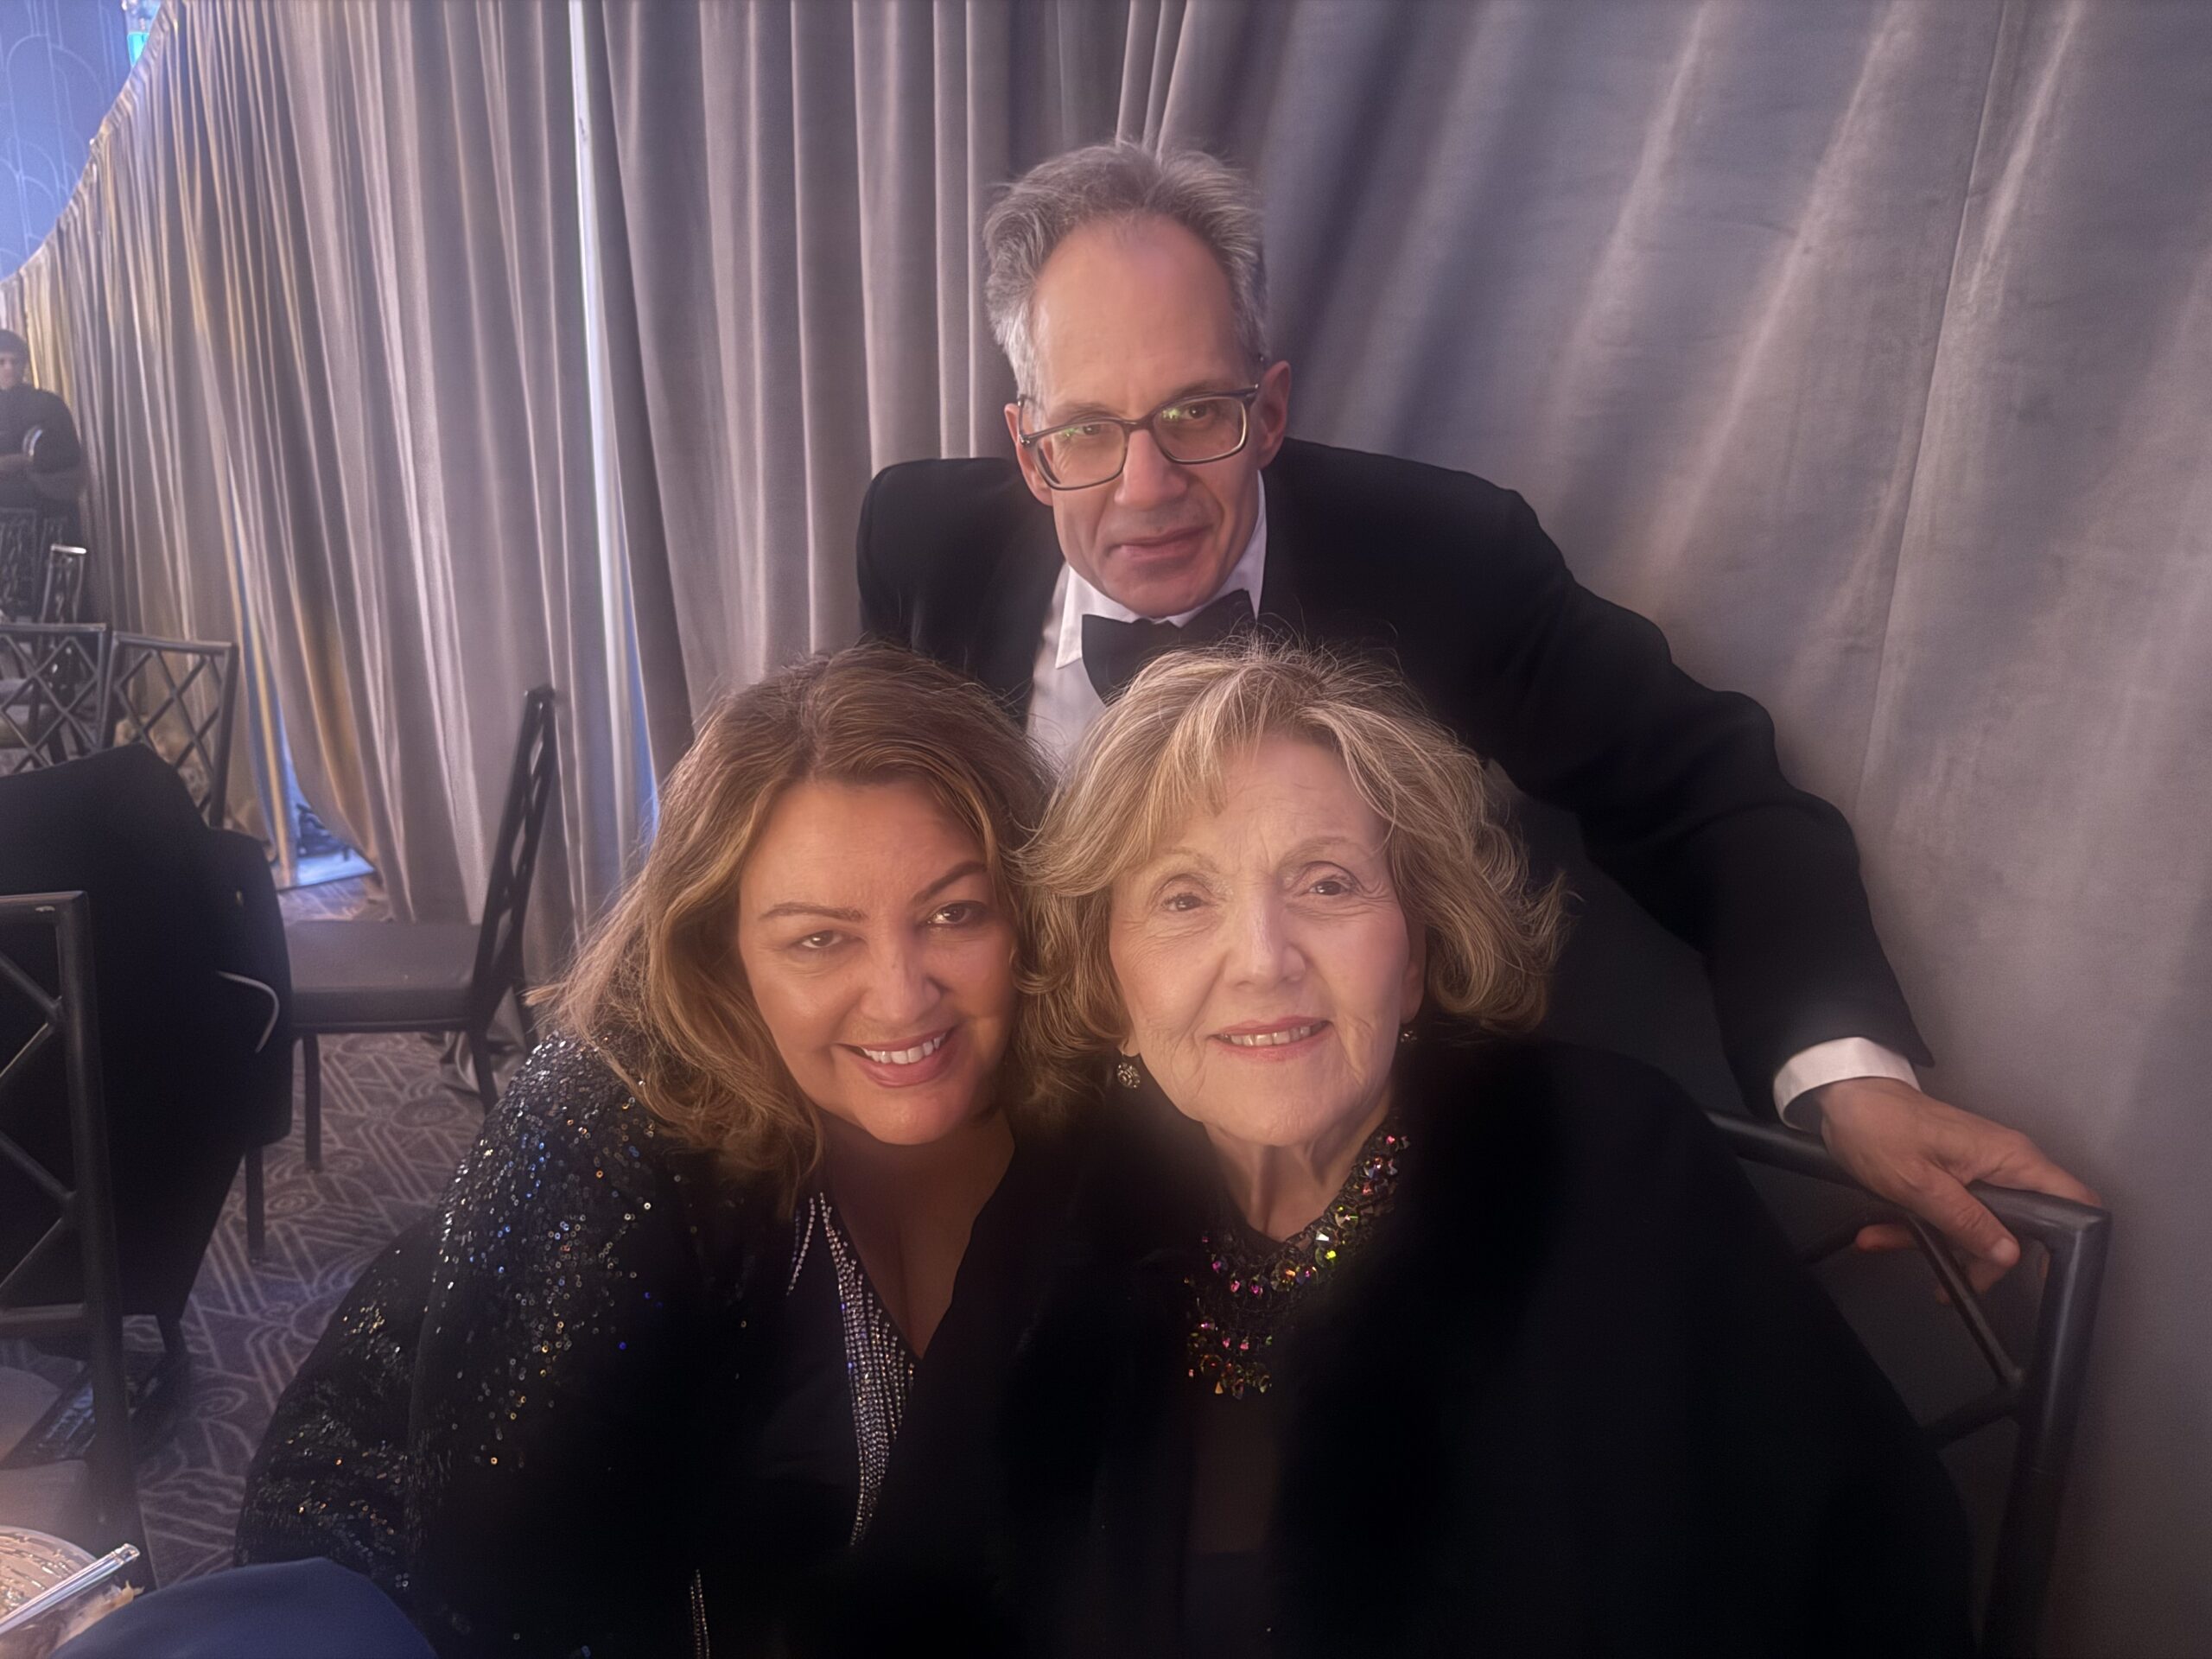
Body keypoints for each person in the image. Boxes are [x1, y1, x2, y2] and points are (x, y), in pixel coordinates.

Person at [856, 141, 2097, 1294]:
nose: (1146, 488)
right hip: (1019, 1186)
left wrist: (1848, 1077)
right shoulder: (920, 544)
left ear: (1270, 412)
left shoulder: (1447, 558)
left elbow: (1707, 786)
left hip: (1359, 1218)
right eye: (1086, 431)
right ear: (1028, 446)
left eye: (1197, 414)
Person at [960, 639, 1974, 1656]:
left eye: (1326, 884)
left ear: (1414, 959)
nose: (1263, 961)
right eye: (1184, 898)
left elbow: (1872, 1578)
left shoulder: (1608, 1168)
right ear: (1111, 988)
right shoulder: (1056, 1212)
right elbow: (931, 1590)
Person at [235, 644, 1076, 1656]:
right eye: (819, 939)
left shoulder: (1073, 1103)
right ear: (722, 952)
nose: (901, 998)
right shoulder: (606, 1140)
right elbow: (502, 1602)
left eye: (953, 913)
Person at [0, 327, 85, 513]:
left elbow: (70, 455)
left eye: (15, 361)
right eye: (2, 361)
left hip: (45, 506)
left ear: (24, 364)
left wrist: (24, 460)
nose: (9, 368)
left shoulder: (49, 404)